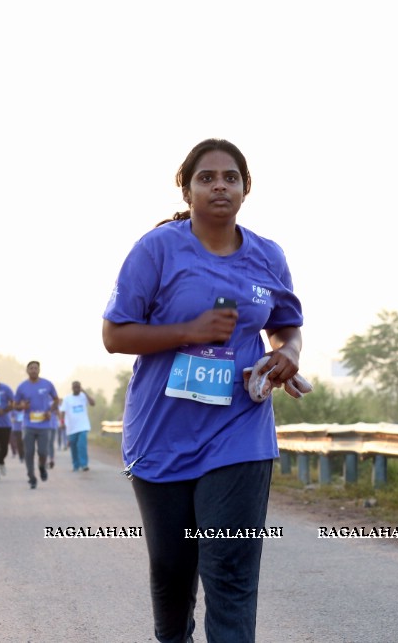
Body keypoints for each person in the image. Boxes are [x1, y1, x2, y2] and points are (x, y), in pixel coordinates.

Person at [102, 138, 304, 643]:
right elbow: (115, 334)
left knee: (231, 574)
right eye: (207, 177)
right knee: (172, 576)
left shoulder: (268, 256)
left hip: (239, 433)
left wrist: (287, 355)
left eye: (230, 177)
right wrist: (190, 330)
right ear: (187, 189)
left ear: (245, 189)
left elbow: (286, 325)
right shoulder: (157, 249)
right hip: (161, 435)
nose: (220, 186)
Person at [14, 361, 59, 489]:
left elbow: (56, 399)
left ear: (39, 370)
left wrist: (50, 411)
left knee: (43, 452)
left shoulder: (47, 384)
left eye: (36, 368)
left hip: (44, 425)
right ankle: (31, 477)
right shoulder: (22, 386)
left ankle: (41, 467)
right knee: (29, 453)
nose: (33, 370)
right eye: (31, 368)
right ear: (27, 371)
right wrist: (21, 406)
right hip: (28, 424)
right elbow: (15, 405)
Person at [60, 381, 95, 471]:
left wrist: (85, 392)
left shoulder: (83, 397)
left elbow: (93, 403)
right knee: (74, 447)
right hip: (71, 428)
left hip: (83, 426)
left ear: (80, 387)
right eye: (75, 387)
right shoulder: (67, 398)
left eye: (78, 387)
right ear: (72, 388)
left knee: (81, 445)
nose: (76, 388)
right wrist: (62, 422)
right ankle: (76, 465)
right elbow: (62, 411)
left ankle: (84, 465)